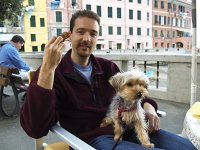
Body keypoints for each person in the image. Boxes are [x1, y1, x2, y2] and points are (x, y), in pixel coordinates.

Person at [20, 10, 197, 150]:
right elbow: (36, 128)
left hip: (129, 130)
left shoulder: (108, 68)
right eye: (80, 31)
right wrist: (47, 69)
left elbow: (135, 95)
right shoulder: (52, 73)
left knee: (189, 147)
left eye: (93, 33)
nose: (87, 39)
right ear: (70, 35)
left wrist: (149, 109)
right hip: (92, 140)